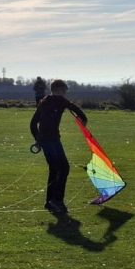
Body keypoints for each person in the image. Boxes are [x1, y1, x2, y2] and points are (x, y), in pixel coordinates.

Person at [30, 79, 87, 216]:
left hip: (48, 140)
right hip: (51, 140)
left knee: (54, 169)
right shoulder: (60, 100)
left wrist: (38, 139)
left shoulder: (44, 101)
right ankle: (57, 201)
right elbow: (77, 110)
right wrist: (83, 121)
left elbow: (33, 124)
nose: (65, 93)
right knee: (63, 168)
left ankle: (49, 201)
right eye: (64, 91)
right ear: (59, 90)